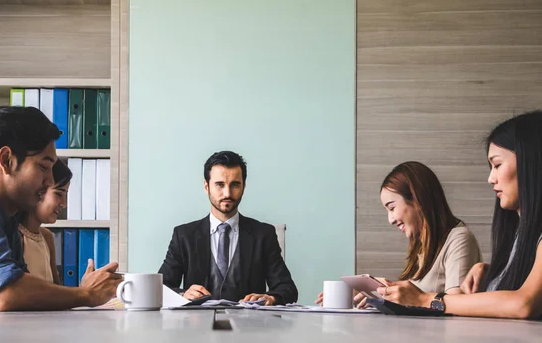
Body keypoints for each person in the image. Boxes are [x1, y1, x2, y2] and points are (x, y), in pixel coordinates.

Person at [0, 106, 120, 311]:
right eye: (43, 167)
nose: (50, 181)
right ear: (7, 160)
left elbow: (22, 288)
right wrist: (86, 294)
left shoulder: (6, 216)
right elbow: (6, 294)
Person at [380, 111, 542, 319]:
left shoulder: (458, 238)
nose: (490, 178)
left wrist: (425, 299)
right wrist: (494, 272)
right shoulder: (520, 236)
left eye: (497, 165)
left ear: (532, 163)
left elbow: (523, 304)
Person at [316, 161, 481, 307]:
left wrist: (389, 289)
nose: (391, 220)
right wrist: (381, 290)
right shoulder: (423, 246)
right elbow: (418, 298)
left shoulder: (459, 238)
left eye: (392, 208)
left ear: (417, 199)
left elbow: (456, 305)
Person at [158, 150, 298, 305]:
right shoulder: (184, 235)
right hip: (197, 326)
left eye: (235, 185)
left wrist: (271, 298)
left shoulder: (263, 234)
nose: (227, 193)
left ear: (244, 186)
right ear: (206, 186)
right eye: (219, 185)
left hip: (251, 326)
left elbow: (287, 289)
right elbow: (160, 287)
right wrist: (183, 294)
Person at [16, 159, 72, 284]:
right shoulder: (14, 236)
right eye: (58, 194)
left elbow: (56, 291)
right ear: (38, 191)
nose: (64, 204)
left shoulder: (47, 237)